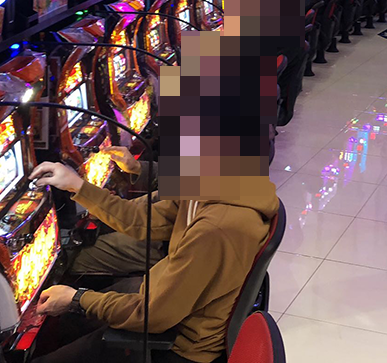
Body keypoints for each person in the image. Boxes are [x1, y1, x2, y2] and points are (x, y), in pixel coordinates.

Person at [29, 160, 278, 363]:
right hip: (168, 300)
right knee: (69, 323)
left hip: (179, 344)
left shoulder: (218, 227)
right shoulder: (219, 181)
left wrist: (76, 299)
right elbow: (141, 219)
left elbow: (153, 315)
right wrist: (77, 185)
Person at [69, 146, 166, 276]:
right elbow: (187, 178)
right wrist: (138, 167)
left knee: (79, 256)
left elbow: (139, 221)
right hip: (171, 207)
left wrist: (81, 188)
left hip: (169, 242)